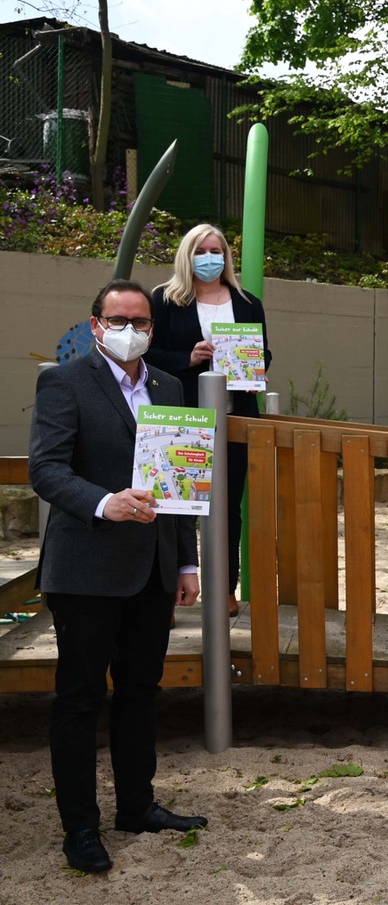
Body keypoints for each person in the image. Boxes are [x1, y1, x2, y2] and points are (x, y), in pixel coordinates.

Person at [29, 280, 209, 874]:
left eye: (141, 320)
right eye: (119, 318)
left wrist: (187, 561)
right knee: (80, 699)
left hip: (154, 570)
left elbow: (181, 482)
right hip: (86, 569)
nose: (130, 328)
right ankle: (80, 827)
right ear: (96, 324)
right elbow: (47, 470)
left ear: (152, 329)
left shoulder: (169, 385)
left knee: (140, 693)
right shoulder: (63, 381)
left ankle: (137, 805)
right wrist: (105, 502)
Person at [148, 223, 271, 617]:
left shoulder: (246, 301)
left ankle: (224, 588)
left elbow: (263, 353)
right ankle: (171, 589)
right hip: (184, 417)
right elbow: (149, 355)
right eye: (201, 251)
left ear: (227, 256)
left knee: (228, 506)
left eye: (216, 250)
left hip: (235, 418)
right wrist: (190, 357)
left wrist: (253, 368)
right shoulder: (165, 300)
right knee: (177, 505)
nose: (209, 258)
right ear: (187, 255)